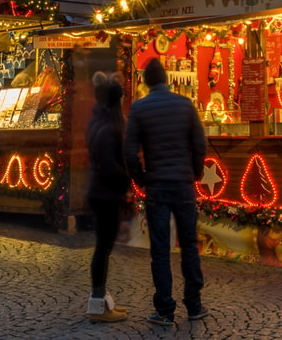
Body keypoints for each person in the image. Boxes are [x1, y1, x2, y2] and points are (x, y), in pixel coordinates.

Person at [123, 57, 209, 326]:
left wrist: (142, 179)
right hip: (183, 186)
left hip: (157, 186)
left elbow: (129, 151)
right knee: (189, 246)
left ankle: (164, 309)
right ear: (168, 80)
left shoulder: (139, 109)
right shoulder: (185, 105)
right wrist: (194, 172)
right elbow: (200, 143)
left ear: (147, 82)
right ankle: (194, 304)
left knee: (160, 250)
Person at [84, 72, 131, 323]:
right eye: (122, 98)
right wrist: (126, 180)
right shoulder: (108, 128)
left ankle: (101, 301)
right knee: (103, 248)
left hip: (100, 191)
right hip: (105, 193)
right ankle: (97, 305)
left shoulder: (98, 120)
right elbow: (109, 165)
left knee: (104, 247)